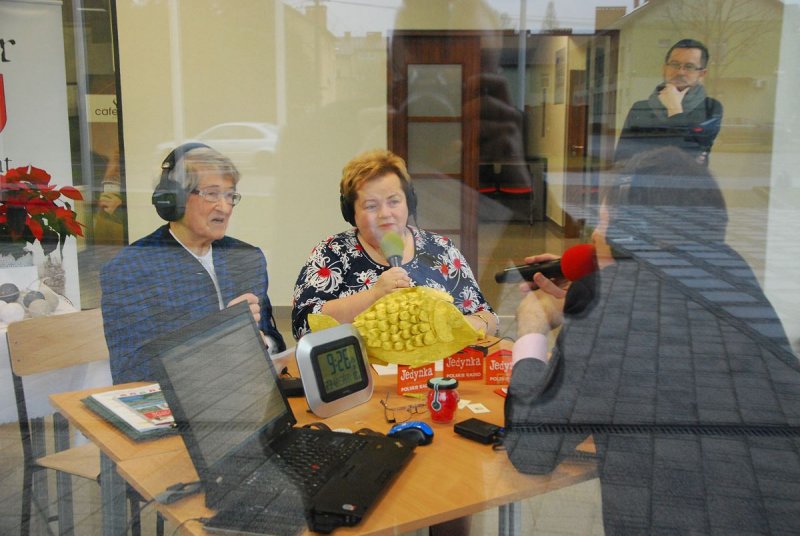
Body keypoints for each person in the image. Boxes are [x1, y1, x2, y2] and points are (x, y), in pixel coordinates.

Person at [504, 147, 800, 534]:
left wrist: (532, 330)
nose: (596, 237)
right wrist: (598, 292)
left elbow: (531, 449)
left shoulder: (615, 307)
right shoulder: (731, 271)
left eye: (604, 224)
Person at [101, 144, 285, 384]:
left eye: (230, 196)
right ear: (175, 199)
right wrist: (220, 337)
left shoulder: (246, 258)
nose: (225, 207)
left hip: (250, 393)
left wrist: (263, 344)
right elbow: (133, 371)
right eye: (212, 194)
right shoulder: (131, 268)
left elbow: (274, 340)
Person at [292, 149, 497, 340]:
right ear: (351, 212)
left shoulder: (440, 249)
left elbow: (487, 317)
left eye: (394, 201)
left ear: (409, 202)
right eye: (371, 206)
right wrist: (373, 296)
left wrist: (459, 325)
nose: (385, 214)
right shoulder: (332, 252)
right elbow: (303, 325)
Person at [614, 39, 723, 165]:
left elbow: (691, 153)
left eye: (689, 66)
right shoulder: (641, 108)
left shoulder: (710, 108)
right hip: (645, 178)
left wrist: (674, 109)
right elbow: (621, 160)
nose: (680, 72)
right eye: (674, 64)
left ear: (702, 74)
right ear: (664, 68)